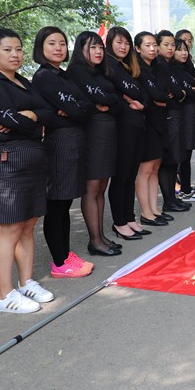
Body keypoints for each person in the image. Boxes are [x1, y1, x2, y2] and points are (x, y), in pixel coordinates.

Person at [0, 28, 55, 312]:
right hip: (8, 159)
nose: (15, 54)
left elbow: (49, 113)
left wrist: (31, 115)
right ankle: (4, 295)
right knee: (9, 229)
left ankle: (26, 282)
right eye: (7, 49)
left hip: (34, 156)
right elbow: (7, 119)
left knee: (28, 225)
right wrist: (33, 120)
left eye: (19, 49)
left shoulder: (24, 82)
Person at [32, 26, 95, 278]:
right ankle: (59, 262)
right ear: (40, 47)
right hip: (59, 143)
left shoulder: (63, 75)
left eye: (61, 43)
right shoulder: (44, 77)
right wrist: (74, 110)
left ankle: (66, 255)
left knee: (65, 202)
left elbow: (86, 106)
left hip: (73, 140)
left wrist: (74, 109)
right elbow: (79, 109)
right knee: (56, 204)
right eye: (51, 43)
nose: (58, 48)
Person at [67, 30, 122, 256]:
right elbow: (100, 98)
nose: (98, 51)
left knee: (101, 187)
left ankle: (101, 236)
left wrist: (108, 102)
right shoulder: (77, 72)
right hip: (92, 133)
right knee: (92, 188)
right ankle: (95, 240)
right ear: (81, 49)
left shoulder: (100, 72)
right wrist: (106, 101)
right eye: (92, 47)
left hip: (107, 132)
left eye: (100, 47)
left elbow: (116, 100)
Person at [105, 26, 149, 241]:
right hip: (122, 127)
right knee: (121, 176)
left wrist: (141, 103)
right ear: (110, 43)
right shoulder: (108, 66)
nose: (123, 47)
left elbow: (142, 93)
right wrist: (134, 94)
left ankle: (129, 217)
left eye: (126, 43)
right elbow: (129, 91)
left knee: (131, 175)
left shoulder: (129, 67)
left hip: (137, 125)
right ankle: (119, 222)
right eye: (119, 42)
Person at [134, 31, 174, 227]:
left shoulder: (158, 66)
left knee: (156, 166)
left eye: (154, 45)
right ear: (137, 48)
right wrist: (161, 98)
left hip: (160, 119)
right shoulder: (138, 69)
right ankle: (146, 213)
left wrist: (162, 98)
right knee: (146, 168)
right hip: (146, 121)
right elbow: (156, 94)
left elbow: (167, 92)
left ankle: (154, 209)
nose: (152, 49)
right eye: (147, 45)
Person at [155, 30, 190, 214]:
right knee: (169, 160)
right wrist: (180, 92)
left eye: (172, 45)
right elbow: (175, 91)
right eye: (166, 45)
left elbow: (180, 89)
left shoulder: (170, 65)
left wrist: (180, 92)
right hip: (168, 115)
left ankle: (172, 199)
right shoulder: (160, 65)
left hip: (175, 113)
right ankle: (169, 201)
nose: (170, 48)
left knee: (174, 159)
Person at [174, 33, 195, 203]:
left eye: (185, 49)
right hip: (179, 115)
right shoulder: (172, 69)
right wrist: (190, 89)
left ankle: (185, 188)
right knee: (180, 153)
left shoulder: (187, 67)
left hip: (190, 114)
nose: (183, 52)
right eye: (179, 49)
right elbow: (184, 90)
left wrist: (190, 89)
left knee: (188, 151)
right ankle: (181, 189)